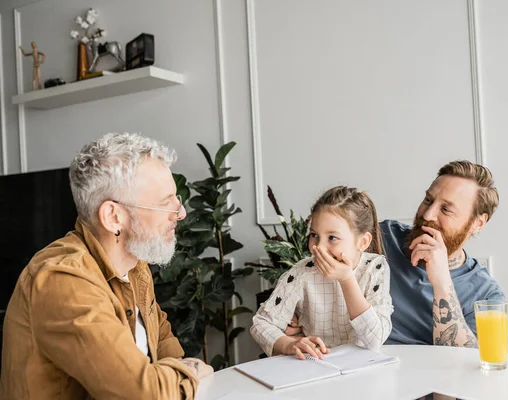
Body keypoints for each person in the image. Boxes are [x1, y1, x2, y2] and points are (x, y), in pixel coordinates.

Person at [0, 133, 213, 399]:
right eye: (164, 204)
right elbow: (144, 394)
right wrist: (190, 369)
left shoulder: (135, 262)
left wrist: (175, 372)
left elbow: (163, 341)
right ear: (113, 217)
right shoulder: (62, 280)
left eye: (176, 199)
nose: (181, 214)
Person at [251, 186, 393, 360]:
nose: (318, 247)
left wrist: (346, 279)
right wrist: (288, 343)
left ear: (362, 242)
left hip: (363, 368)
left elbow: (374, 340)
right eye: (314, 235)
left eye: (332, 237)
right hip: (316, 366)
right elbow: (261, 323)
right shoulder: (302, 272)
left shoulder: (375, 268)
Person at [381, 160, 504, 347]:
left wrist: (442, 282)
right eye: (428, 200)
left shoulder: (486, 295)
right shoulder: (383, 238)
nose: (428, 215)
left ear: (477, 223)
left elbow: (466, 362)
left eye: (446, 209)